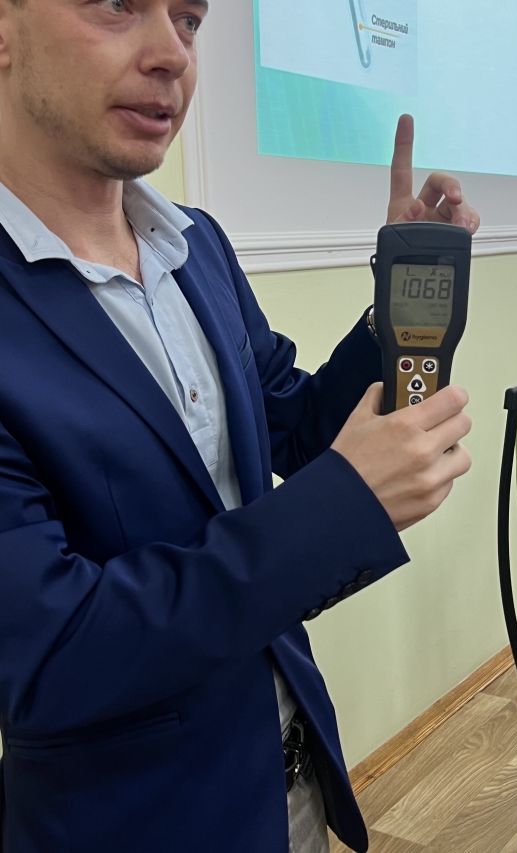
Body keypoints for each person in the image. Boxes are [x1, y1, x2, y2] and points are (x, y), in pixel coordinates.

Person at [0, 1, 479, 851]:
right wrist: (340, 509)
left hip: (294, 784)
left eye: (188, 19)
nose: (171, 54)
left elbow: (291, 426)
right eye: (117, 5)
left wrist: (400, 304)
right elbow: (52, 655)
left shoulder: (197, 246)